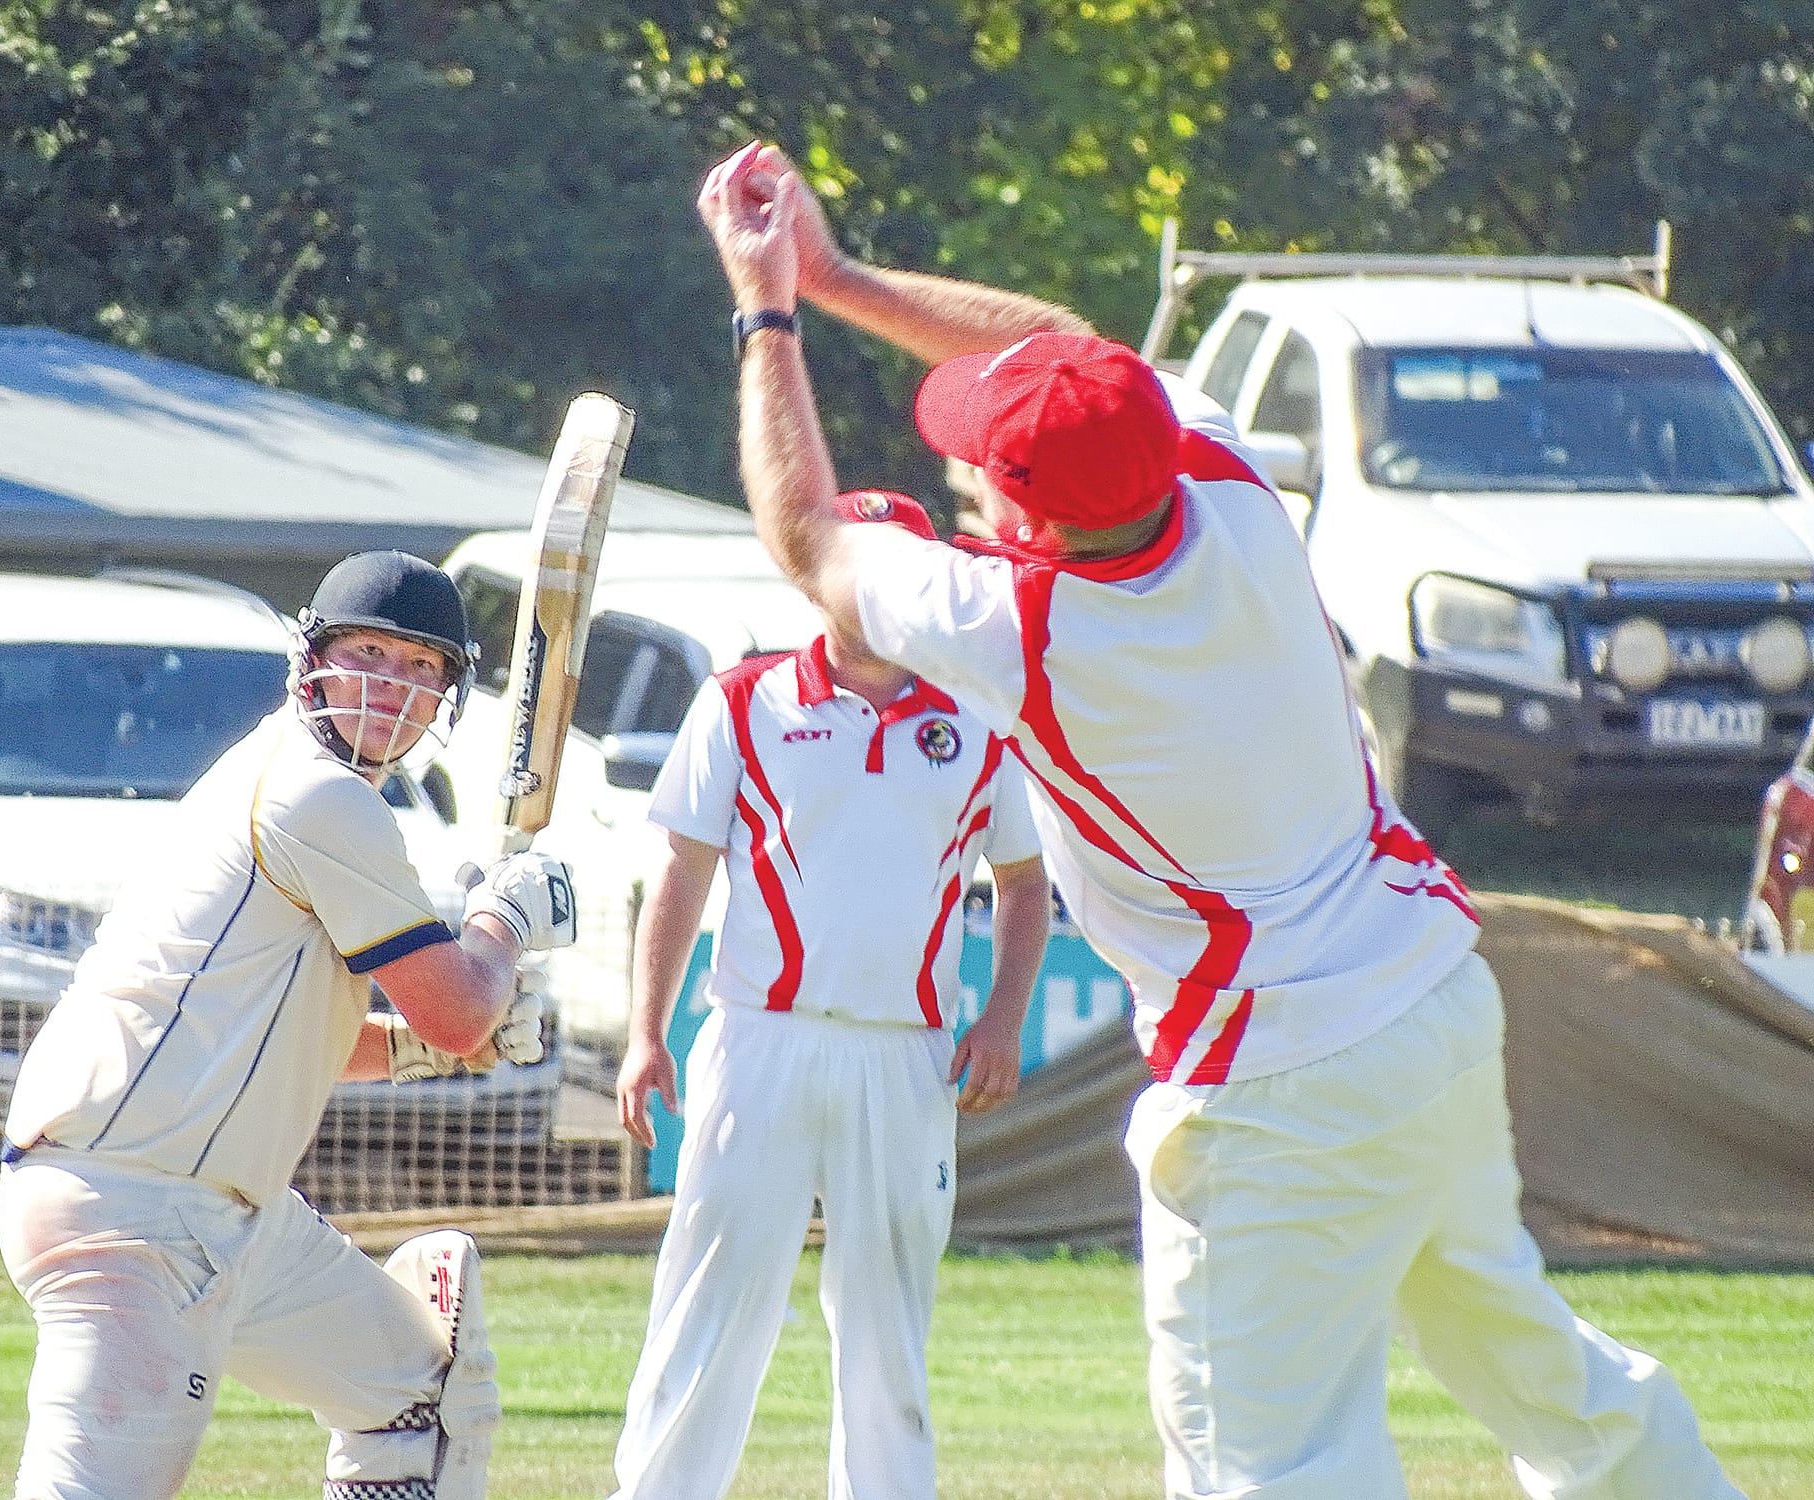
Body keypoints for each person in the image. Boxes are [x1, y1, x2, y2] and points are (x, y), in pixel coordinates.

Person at [693, 141, 1747, 1499]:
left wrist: (769, 308)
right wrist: (832, 274)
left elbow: (806, 538)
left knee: (1272, 1470)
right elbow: (1072, 348)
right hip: (1425, 1000)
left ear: (1031, 517)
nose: (965, 483)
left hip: (1277, 1081)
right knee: (1537, 1368)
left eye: (982, 475)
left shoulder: (1018, 627)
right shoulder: (1228, 487)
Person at [0, 550, 578, 1500]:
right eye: (369, 656)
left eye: (420, 669)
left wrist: (425, 1044)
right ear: (313, 662)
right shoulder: (318, 794)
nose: (391, 688)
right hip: (135, 1210)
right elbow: (463, 1002)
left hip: (224, 1214)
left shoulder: (293, 780)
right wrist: (504, 927)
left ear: (447, 697)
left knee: (414, 1394)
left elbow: (279, 1031)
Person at [607, 488, 1051, 1500]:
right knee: (709, 1301)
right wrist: (646, 1033)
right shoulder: (740, 699)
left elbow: (1023, 883)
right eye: (857, 556)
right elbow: (681, 872)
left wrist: (1001, 1019)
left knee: (886, 1321)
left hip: (906, 1053)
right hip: (756, 1040)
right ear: (816, 570)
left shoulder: (978, 717)